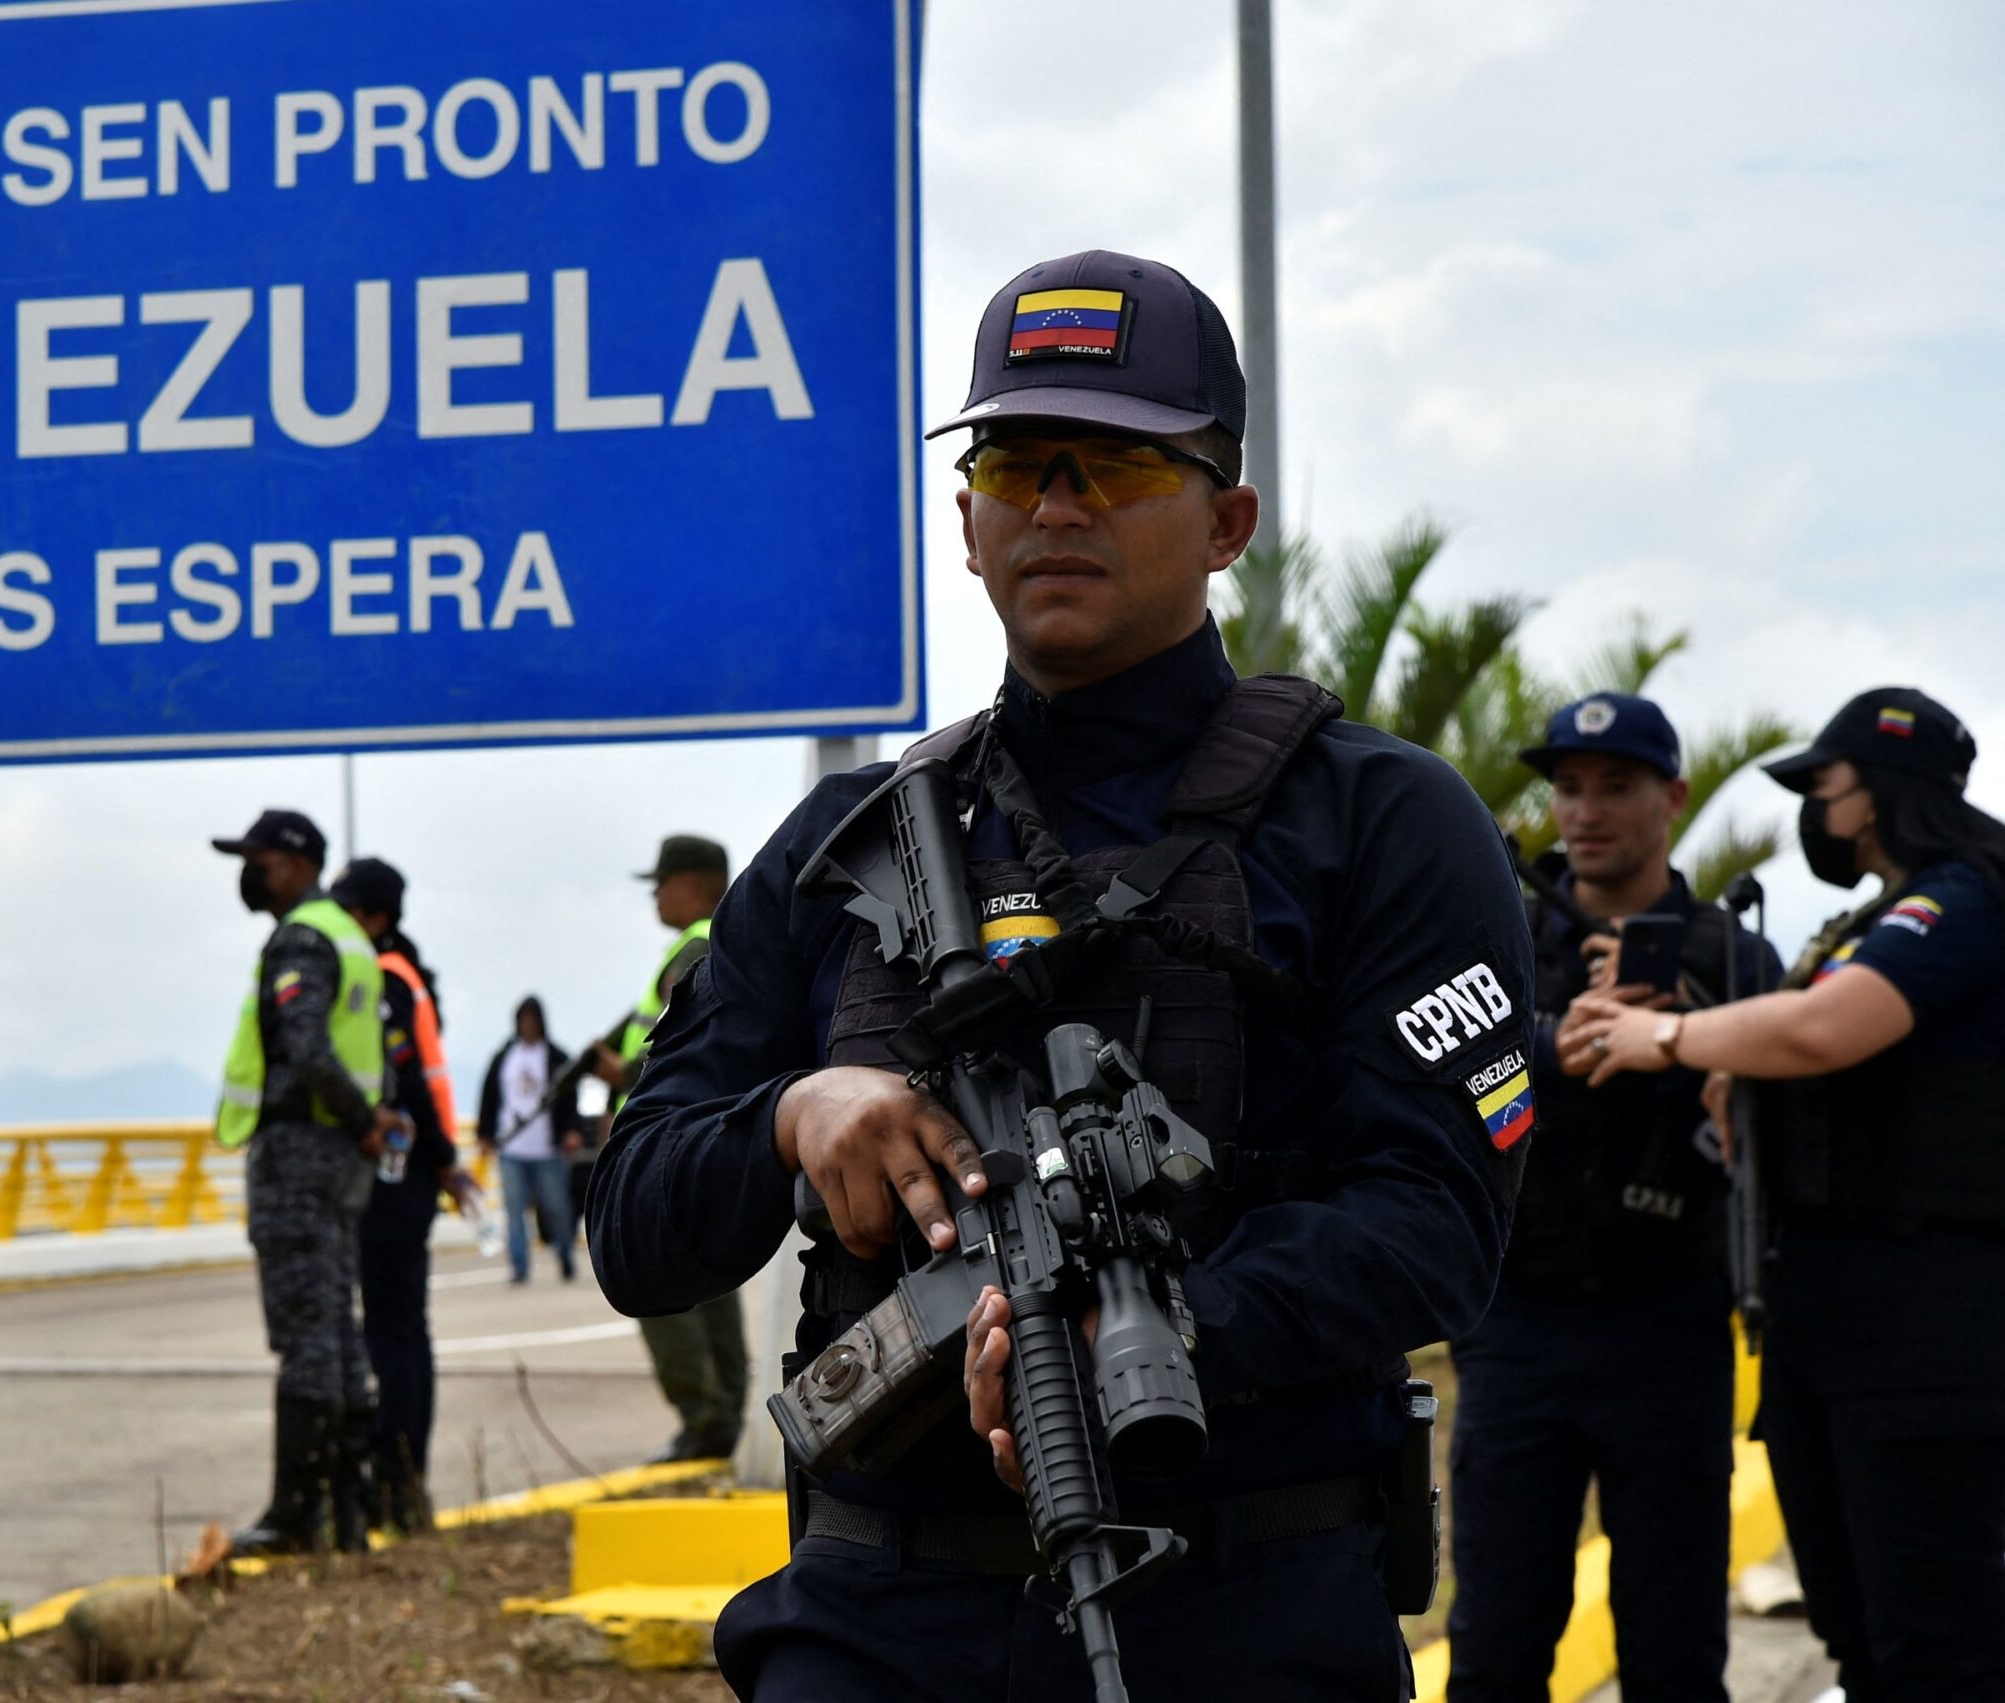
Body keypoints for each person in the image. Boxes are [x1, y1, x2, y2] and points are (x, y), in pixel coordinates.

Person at [590, 250, 1534, 1700]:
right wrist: (794, 1115)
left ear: (1228, 520)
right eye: (1019, 462)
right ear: (967, 524)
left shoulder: (1382, 821)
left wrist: (1152, 1333)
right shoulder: (850, 845)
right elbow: (637, 1223)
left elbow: (1436, 1222)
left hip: (1241, 1602)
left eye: (1120, 467)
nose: (1059, 503)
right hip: (876, 1614)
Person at [1567, 686, 2005, 1700]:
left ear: (1886, 791)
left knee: (1935, 1642)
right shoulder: (1868, 919)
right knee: (1860, 1631)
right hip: (1834, 1323)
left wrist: (1666, 1036)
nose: (1815, 809)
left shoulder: (1960, 898)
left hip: (1923, 1330)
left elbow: (1822, 1029)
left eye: (1826, 786)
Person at [1443, 694, 1777, 1703]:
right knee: (1495, 1643)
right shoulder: (1502, 938)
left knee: (1675, 1651)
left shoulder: (1730, 955)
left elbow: (1782, 1125)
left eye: (1616, 786)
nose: (1585, 811)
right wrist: (1553, 1040)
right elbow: (1440, 1068)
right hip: (1517, 1328)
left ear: (1671, 796)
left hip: (1667, 1324)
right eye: (1569, 787)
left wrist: (1688, 1037)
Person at [211, 810, 404, 1556]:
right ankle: (348, 1508)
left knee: (306, 1328)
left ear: (295, 863)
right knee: (337, 1325)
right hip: (341, 1157)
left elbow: (310, 1048)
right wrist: (366, 1123)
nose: (248, 872)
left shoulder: (301, 936)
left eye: (255, 858)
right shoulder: (351, 936)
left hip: (301, 1148)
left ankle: (297, 1510)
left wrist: (357, 1119)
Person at [596, 834, 751, 1465]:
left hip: (669, 1144)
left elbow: (683, 1053)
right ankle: (720, 1419)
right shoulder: (724, 943)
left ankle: (703, 1420)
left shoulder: (693, 949)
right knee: (710, 1283)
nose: (656, 895)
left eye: (662, 882)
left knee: (658, 1281)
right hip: (702, 1138)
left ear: (695, 884)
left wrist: (621, 1081)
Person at [329, 857, 459, 1533]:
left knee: (393, 1333)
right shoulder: (408, 971)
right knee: (404, 1329)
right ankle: (403, 1479)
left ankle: (398, 1481)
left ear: (374, 917)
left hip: (395, 1175)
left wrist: (441, 1159)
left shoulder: (380, 978)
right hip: (413, 1173)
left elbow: (406, 1078)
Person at [476, 996, 584, 1283]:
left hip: (549, 1148)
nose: (528, 1025)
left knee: (557, 1209)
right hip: (512, 1147)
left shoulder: (557, 1056)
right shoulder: (504, 1057)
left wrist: (573, 1130)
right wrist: (484, 1135)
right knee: (514, 1212)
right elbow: (489, 1097)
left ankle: (564, 1256)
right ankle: (519, 1267)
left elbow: (570, 1098)